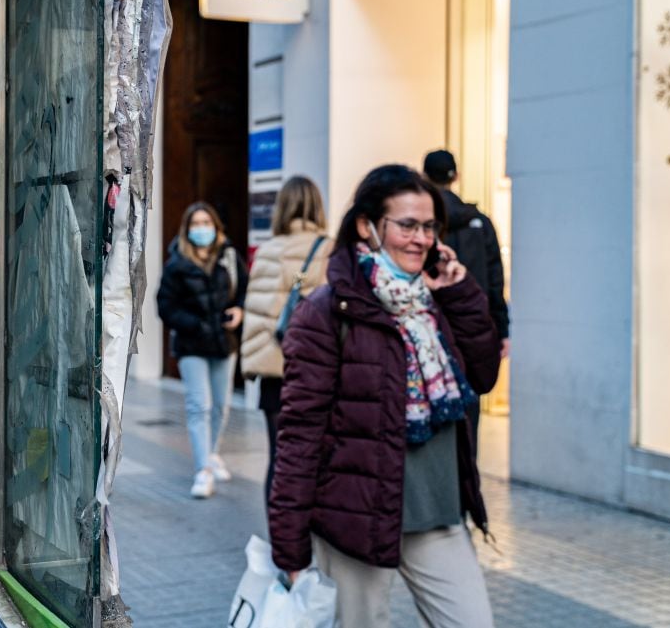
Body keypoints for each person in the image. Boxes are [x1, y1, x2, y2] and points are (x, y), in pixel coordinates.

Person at [269, 165, 501, 627]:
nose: (421, 238)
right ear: (367, 226)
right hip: (355, 523)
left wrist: (461, 293)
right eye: (407, 225)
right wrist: (289, 546)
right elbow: (298, 437)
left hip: (437, 514)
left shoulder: (440, 301)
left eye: (430, 226)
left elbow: (485, 373)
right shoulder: (327, 313)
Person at [240, 176, 333, 506]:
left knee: (279, 461)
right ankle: (310, 542)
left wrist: (251, 364)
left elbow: (255, 313)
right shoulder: (329, 249)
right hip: (315, 374)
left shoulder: (267, 251)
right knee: (319, 461)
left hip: (273, 374)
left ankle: (280, 545)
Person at [157, 202, 248, 499]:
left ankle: (212, 453)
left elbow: (246, 292)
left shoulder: (229, 258)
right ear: (187, 230)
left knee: (221, 405)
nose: (201, 229)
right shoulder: (176, 264)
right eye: (195, 224)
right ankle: (203, 471)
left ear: (216, 227)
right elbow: (165, 307)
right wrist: (194, 324)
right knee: (199, 405)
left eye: (206, 222)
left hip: (224, 341)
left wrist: (241, 311)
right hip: (191, 344)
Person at [424, 149, 510, 452]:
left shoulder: (425, 224)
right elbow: (496, 282)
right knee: (469, 414)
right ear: (456, 176)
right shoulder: (480, 223)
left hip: (433, 331)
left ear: (425, 178)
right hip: (474, 330)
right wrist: (502, 330)